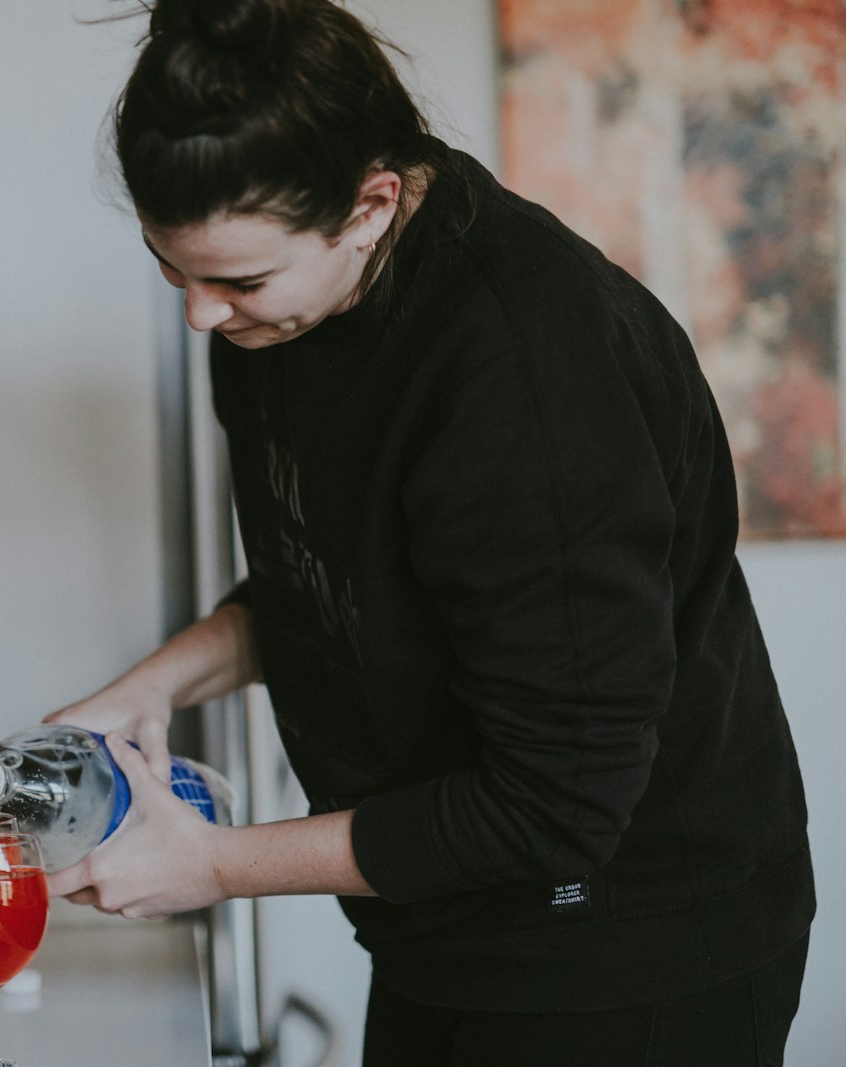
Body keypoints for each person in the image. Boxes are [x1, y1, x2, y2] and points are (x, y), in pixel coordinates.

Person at [43, 1, 815, 1063]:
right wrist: (155, 685)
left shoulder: (525, 376)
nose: (201, 317)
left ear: (370, 204)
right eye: (171, 267)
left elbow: (554, 805)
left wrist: (216, 862)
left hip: (628, 951)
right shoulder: (286, 313)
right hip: (442, 927)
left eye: (238, 279)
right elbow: (336, 584)